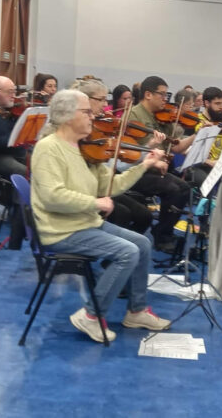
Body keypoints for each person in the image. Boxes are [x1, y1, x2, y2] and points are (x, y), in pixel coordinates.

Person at [30, 89, 171, 343]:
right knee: (127, 252)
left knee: (142, 243)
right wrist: (94, 202)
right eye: (86, 112)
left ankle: (137, 311)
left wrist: (144, 165)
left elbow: (111, 186)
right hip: (61, 230)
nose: (93, 116)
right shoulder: (48, 148)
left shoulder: (85, 149)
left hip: (84, 223)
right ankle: (91, 316)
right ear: (67, 116)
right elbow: (52, 196)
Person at [71, 78, 155, 235]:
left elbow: (106, 173)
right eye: (101, 99)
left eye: (106, 99)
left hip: (101, 184)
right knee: (123, 213)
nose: (105, 105)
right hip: (85, 195)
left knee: (144, 215)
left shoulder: (99, 128)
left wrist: (145, 160)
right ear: (84, 100)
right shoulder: (71, 136)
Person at [124, 76, 194, 253]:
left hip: (155, 169)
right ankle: (162, 237)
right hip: (137, 170)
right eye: (162, 94)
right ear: (148, 94)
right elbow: (134, 152)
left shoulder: (161, 117)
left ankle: (163, 230)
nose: (165, 99)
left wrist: (197, 134)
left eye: (166, 95)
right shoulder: (134, 115)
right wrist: (155, 159)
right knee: (173, 189)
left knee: (185, 188)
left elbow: (177, 147)